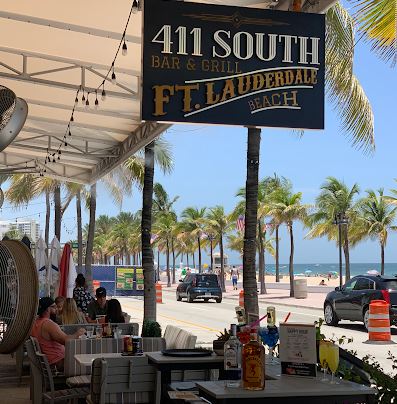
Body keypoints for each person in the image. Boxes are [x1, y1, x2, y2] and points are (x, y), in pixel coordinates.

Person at [31, 297, 85, 371]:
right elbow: (66, 341)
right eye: (54, 306)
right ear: (47, 309)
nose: (57, 309)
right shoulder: (48, 324)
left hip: (50, 361)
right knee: (87, 360)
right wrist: (77, 333)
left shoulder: (36, 322)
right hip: (58, 364)